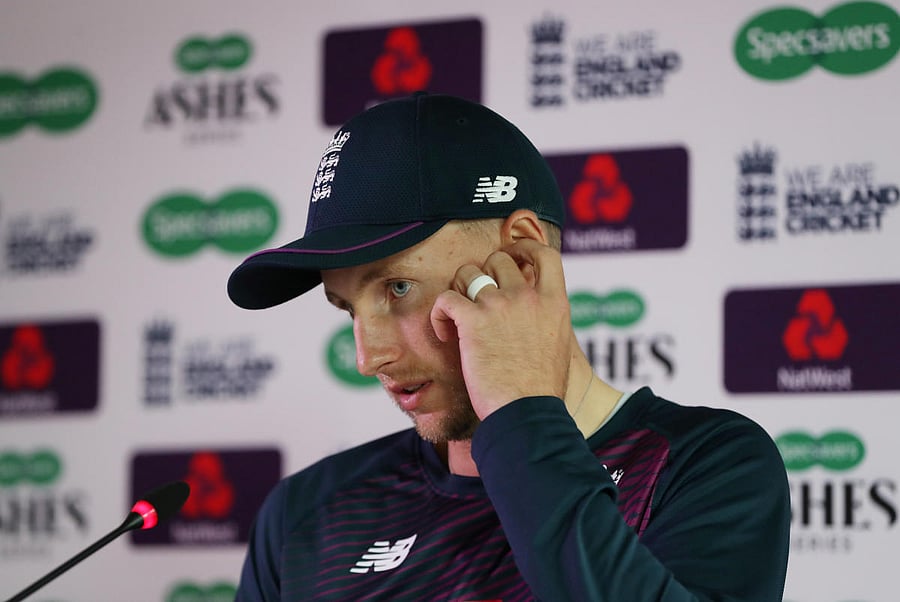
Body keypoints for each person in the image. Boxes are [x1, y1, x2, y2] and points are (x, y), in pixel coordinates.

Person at [227, 92, 790, 601]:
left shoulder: (703, 465)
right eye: (349, 309)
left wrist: (519, 411)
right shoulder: (306, 515)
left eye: (398, 288)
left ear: (522, 255)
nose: (368, 357)